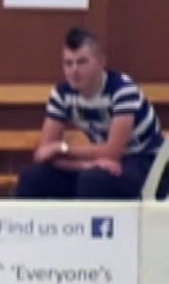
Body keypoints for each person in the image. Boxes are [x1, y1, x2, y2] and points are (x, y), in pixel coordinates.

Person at [15, 26, 163, 200]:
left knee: (93, 180)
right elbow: (44, 154)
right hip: (100, 163)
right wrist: (86, 165)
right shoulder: (62, 93)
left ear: (101, 62)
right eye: (68, 63)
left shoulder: (122, 89)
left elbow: (112, 152)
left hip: (145, 163)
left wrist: (62, 148)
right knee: (32, 178)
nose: (74, 70)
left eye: (82, 62)